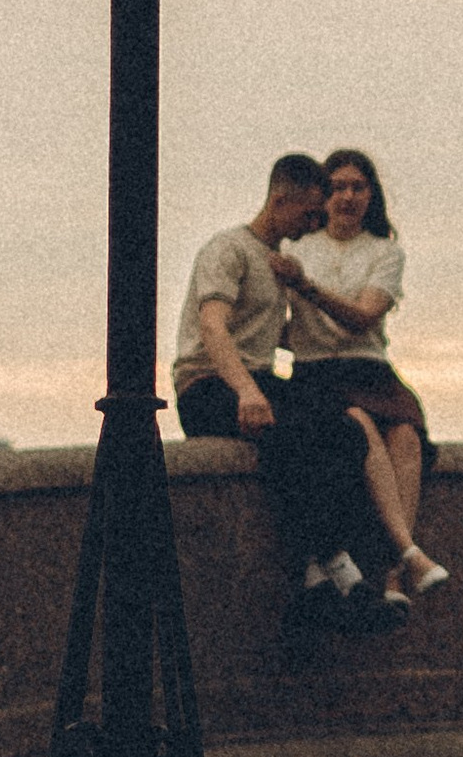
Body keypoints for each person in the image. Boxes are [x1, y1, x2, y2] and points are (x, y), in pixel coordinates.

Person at [170, 154, 376, 621]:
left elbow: (277, 334)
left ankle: (312, 572)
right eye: (307, 213)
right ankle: (338, 565)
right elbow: (213, 328)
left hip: (258, 380)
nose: (313, 224)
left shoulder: (280, 264)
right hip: (208, 385)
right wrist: (246, 391)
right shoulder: (228, 250)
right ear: (279, 199)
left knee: (345, 433)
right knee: (289, 439)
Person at [274, 147, 449, 618]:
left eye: (358, 187)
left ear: (372, 195)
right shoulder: (295, 249)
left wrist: (308, 289)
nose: (347, 196)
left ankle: (394, 573)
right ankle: (410, 556)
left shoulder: (385, 252)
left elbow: (364, 316)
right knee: (360, 429)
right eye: (337, 187)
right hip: (318, 374)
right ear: (321, 196)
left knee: (407, 438)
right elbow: (273, 323)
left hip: (370, 369)